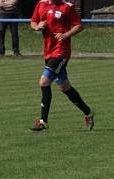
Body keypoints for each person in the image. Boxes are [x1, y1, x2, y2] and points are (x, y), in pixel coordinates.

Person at [29, 0, 94, 132]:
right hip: (48, 52)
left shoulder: (67, 7)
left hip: (61, 52)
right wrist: (37, 27)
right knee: (65, 87)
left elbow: (79, 26)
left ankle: (43, 121)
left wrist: (66, 35)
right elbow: (33, 21)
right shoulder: (41, 4)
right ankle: (88, 112)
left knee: (44, 82)